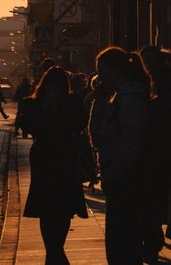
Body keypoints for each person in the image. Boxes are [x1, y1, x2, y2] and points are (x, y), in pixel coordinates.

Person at [20, 65, 89, 264]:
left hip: (65, 158)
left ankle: (54, 253)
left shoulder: (72, 102)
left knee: (63, 206)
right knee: (47, 206)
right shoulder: (34, 103)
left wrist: (62, 108)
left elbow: (80, 123)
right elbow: (28, 126)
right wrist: (45, 110)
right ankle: (54, 252)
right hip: (45, 158)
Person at [89, 47, 152, 264]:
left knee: (122, 247)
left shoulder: (130, 99)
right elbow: (96, 136)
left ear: (116, 71)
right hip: (118, 179)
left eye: (103, 72)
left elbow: (132, 144)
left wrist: (114, 174)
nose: (100, 77)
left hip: (127, 182)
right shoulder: (115, 99)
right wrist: (99, 99)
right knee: (117, 246)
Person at [138, 46, 171, 263]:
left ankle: (153, 240)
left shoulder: (162, 80)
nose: (147, 66)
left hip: (160, 148)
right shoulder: (149, 81)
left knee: (156, 197)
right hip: (157, 149)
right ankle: (153, 238)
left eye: (149, 61)